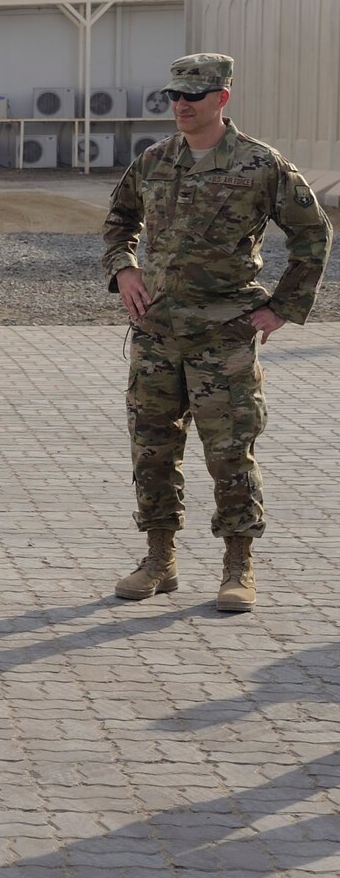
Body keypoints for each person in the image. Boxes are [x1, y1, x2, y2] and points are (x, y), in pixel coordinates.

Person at [104, 52, 331, 612]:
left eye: (194, 95)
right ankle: (159, 560)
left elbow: (313, 235)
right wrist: (124, 268)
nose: (182, 105)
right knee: (152, 450)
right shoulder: (155, 161)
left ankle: (239, 565)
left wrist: (282, 308)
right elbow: (118, 221)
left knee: (229, 453)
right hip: (157, 331)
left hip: (222, 335)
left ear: (222, 98)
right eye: (175, 96)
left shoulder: (260, 165)